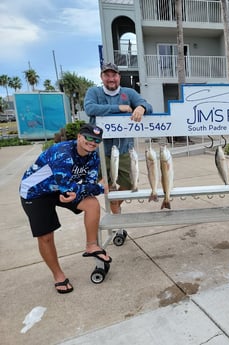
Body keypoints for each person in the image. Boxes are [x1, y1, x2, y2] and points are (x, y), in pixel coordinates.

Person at [19, 124, 111, 294]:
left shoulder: (93, 157)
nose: (92, 142)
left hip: (61, 190)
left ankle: (91, 246)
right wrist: (99, 188)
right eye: (89, 137)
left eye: (97, 140)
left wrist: (91, 188)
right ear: (79, 137)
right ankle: (58, 276)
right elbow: (71, 187)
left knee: (92, 204)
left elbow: (86, 185)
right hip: (35, 192)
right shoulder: (62, 152)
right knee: (46, 236)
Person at [84, 62, 153, 215]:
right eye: (107, 75)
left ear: (119, 77)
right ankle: (112, 213)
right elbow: (90, 108)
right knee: (97, 185)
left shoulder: (129, 93)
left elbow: (146, 105)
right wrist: (118, 108)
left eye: (114, 75)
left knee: (128, 183)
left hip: (123, 150)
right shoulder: (93, 92)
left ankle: (116, 207)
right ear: (101, 77)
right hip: (99, 151)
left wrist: (142, 107)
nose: (111, 79)